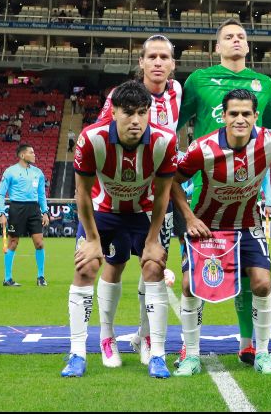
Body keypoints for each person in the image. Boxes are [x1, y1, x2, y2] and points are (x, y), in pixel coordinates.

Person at [177, 19, 271, 367]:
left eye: (241, 36)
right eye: (228, 37)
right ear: (217, 46)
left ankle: (251, 345)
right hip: (204, 187)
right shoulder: (198, 80)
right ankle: (188, 349)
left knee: (254, 278)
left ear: (248, 45)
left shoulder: (264, 84)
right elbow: (176, 122)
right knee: (195, 279)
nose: (235, 40)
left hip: (249, 188)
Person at [61, 80, 177, 378]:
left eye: (142, 112)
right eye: (128, 112)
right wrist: (91, 239)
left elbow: (163, 194)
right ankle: (79, 352)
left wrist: (153, 239)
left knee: (153, 267)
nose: (136, 120)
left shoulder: (165, 140)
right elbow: (82, 193)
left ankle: (157, 352)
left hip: (144, 212)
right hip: (103, 211)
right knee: (86, 267)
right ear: (113, 112)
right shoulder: (91, 138)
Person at [171, 89, 271, 377]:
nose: (240, 119)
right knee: (188, 285)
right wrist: (189, 218)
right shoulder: (202, 148)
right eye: (233, 113)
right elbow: (173, 181)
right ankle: (191, 355)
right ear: (223, 116)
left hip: (248, 224)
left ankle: (262, 353)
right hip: (207, 226)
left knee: (262, 284)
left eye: (246, 113)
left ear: (256, 116)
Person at [96, 35, 183, 368]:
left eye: (164, 57)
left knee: (154, 265)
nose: (158, 62)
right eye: (152, 57)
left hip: (157, 199)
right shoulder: (120, 97)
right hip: (120, 197)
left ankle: (146, 337)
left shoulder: (178, 92)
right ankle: (107, 337)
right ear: (141, 62)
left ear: (173, 64)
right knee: (115, 262)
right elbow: (101, 137)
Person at [0, 144, 50, 287]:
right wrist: (1, 213)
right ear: (22, 155)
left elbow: (41, 195)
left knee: (39, 243)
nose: (34, 155)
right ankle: (7, 278)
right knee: (13, 243)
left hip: (34, 209)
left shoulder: (38, 173)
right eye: (31, 152)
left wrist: (45, 212)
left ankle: (41, 277)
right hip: (17, 208)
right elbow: (1, 194)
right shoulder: (10, 172)